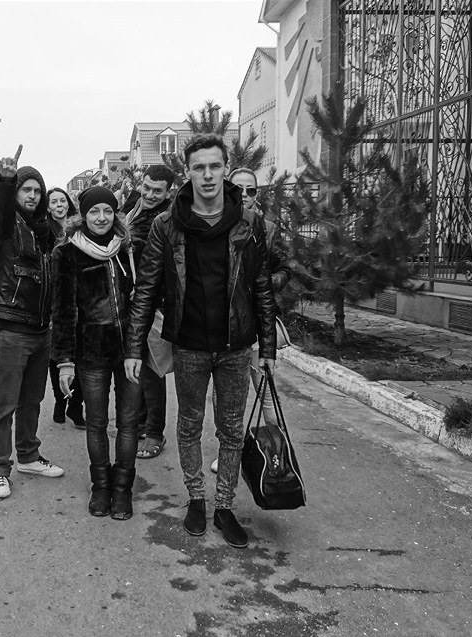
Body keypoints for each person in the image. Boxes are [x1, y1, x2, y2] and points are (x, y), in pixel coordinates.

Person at [124, 134, 277, 549]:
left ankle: (224, 506)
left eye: (214, 166)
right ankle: (196, 498)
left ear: (225, 168)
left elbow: (262, 286)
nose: (207, 175)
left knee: (231, 429)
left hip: (235, 345)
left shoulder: (248, 223)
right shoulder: (167, 224)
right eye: (198, 167)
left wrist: (267, 347)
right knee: (189, 425)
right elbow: (146, 289)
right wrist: (134, 347)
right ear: (187, 173)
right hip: (189, 344)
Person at [51, 186, 141, 520]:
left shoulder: (127, 248)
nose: (101, 218)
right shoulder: (67, 253)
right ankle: (101, 486)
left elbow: (141, 299)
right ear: (83, 215)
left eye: (107, 211)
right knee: (97, 423)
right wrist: (65, 361)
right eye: (94, 211)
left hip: (130, 351)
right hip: (90, 353)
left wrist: (138, 344)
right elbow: (62, 310)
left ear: (115, 214)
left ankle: (123, 489)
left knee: (128, 424)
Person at [0, 145, 65, 500]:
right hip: (10, 327)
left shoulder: (46, 230)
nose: (32, 195)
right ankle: (0, 469)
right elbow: (1, 210)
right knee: (5, 404)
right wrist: (5, 180)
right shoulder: (5, 226)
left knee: (32, 399)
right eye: (25, 189)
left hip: (40, 328)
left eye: (37, 190)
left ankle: (29, 457)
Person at [210, 167, 291, 474]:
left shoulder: (267, 228)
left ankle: (277, 456)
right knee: (224, 397)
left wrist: (264, 283)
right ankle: (228, 452)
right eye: (238, 189)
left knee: (265, 392)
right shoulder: (215, 226)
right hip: (223, 326)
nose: (244, 195)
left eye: (251, 190)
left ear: (257, 194)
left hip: (255, 323)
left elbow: (285, 269)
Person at [121, 164, 176, 460]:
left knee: (153, 369)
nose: (150, 194)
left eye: (158, 191)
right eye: (147, 187)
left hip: (153, 302)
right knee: (136, 365)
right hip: (132, 300)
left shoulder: (167, 219)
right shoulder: (135, 207)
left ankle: (155, 432)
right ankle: (141, 423)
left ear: (168, 193)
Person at [45, 187, 84, 428]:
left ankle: (75, 405)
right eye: (54, 202)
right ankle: (60, 400)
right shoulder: (44, 230)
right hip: (54, 296)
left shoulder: (80, 229)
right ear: (48, 207)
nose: (59, 205)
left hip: (80, 296)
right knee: (57, 353)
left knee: (79, 353)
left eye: (62, 200)